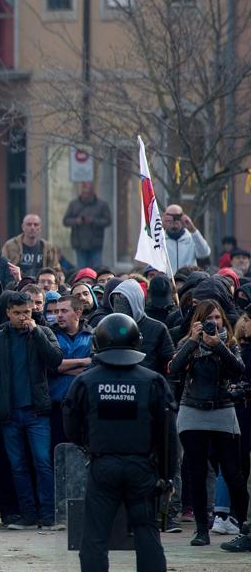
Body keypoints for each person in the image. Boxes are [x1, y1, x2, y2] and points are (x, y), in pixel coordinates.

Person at [59, 313, 177, 571]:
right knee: (147, 533)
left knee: (94, 535)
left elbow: (70, 422)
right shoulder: (153, 381)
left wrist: (88, 445)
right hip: (142, 467)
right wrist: (167, 475)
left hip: (103, 466)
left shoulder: (85, 380)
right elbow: (168, 431)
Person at [0, 291, 64, 530]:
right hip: (9, 413)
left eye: (26, 312)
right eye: (17, 313)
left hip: (37, 412)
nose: (22, 317)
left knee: (42, 462)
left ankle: (47, 515)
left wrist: (36, 332)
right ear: (7, 313)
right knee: (17, 465)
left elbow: (55, 360)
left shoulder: (43, 333)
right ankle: (28, 513)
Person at [167, 299, 247, 546]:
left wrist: (219, 346)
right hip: (192, 410)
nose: (214, 323)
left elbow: (238, 370)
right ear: (197, 323)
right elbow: (174, 368)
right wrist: (193, 341)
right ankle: (202, 529)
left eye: (217, 318)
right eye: (208, 319)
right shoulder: (187, 344)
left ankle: (241, 525)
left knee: (233, 473)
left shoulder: (230, 343)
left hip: (222, 409)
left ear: (224, 320)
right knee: (197, 471)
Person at [46, 296, 92, 451]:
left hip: (84, 408)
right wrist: (81, 361)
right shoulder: (50, 336)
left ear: (78, 313)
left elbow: (93, 368)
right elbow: (51, 366)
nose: (58, 315)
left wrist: (63, 366)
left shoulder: (91, 336)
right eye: (57, 311)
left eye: (64, 311)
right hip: (56, 408)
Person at [63, 183, 112, 269]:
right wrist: (76, 221)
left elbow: (108, 221)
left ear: (92, 193)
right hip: (79, 243)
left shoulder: (102, 205)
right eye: (83, 193)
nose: (85, 195)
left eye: (88, 193)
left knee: (96, 269)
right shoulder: (74, 204)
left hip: (95, 243)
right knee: (82, 270)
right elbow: (66, 221)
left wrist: (93, 221)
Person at [2, 214, 62, 281]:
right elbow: (3, 268)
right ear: (23, 227)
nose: (32, 227)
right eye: (29, 224)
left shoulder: (48, 247)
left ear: (40, 228)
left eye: (36, 225)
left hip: (41, 286)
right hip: (17, 285)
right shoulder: (10, 246)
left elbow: (56, 270)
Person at [162, 205, 212, 270]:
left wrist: (193, 229)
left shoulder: (191, 238)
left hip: (187, 278)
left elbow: (204, 253)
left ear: (182, 217)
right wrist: (161, 226)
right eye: (170, 217)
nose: (174, 220)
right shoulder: (160, 239)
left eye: (177, 217)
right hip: (167, 279)